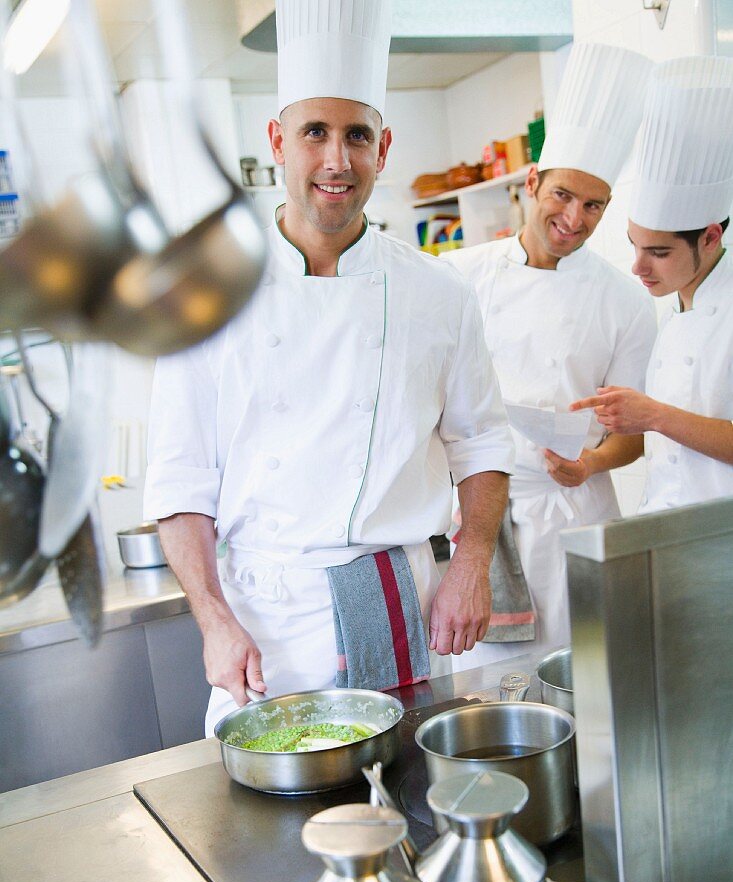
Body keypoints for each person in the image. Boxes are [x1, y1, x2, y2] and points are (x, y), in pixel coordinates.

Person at [143, 0, 514, 734]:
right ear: (279, 140)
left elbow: (481, 443)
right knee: (265, 824)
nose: (336, 160)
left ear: (384, 148)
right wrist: (213, 620)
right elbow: (180, 480)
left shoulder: (439, 293)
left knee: (404, 800)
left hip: (400, 600)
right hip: (265, 624)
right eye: (315, 132)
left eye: (357, 136)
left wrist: (470, 565)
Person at [443, 43, 657, 667]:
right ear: (531, 182)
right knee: (487, 695)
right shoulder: (459, 278)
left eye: (594, 205)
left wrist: (588, 464)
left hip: (577, 515)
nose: (574, 217)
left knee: (584, 682)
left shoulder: (625, 300)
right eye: (562, 195)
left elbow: (634, 434)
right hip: (482, 523)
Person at [571, 56, 733, 514]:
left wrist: (655, 416)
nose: (638, 267)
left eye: (658, 253)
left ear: (710, 236)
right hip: (674, 530)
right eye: (633, 246)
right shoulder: (674, 309)